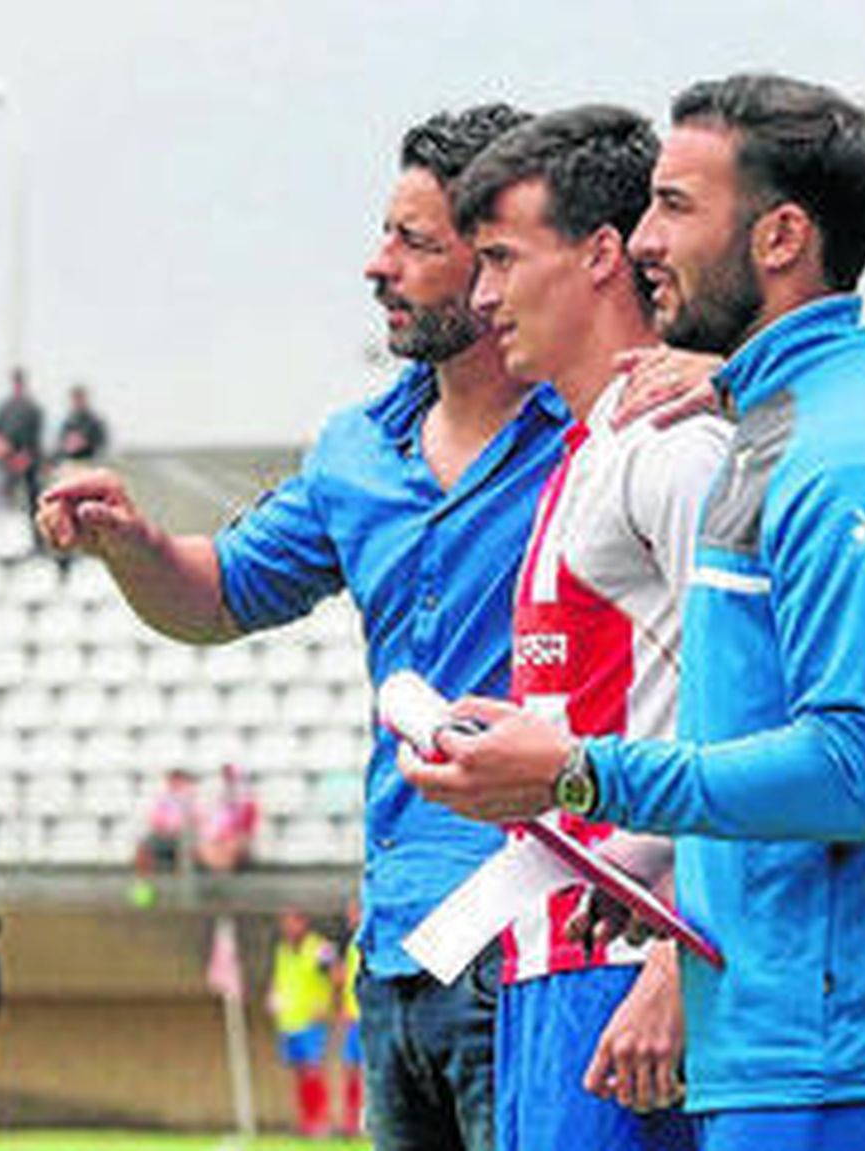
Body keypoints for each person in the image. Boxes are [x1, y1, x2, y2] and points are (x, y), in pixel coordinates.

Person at [35, 104, 713, 1151]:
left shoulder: (623, 425)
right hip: (399, 946)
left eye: (419, 243)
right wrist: (131, 542)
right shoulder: (355, 447)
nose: (376, 265)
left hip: (561, 933)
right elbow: (220, 594)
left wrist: (737, 369)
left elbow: (732, 679)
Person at [404, 73, 865, 1151]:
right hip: (778, 1048)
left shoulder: (854, 456)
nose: (637, 242)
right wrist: (666, 866)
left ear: (778, 236)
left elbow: (854, 771)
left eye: (674, 207)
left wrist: (581, 770)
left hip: (844, 1055)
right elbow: (751, 731)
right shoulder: (768, 420)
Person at [451, 105, 730, 1149]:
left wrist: (673, 958)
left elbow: (749, 706)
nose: (483, 299)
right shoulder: (583, 453)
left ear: (603, 254)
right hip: (548, 958)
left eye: (502, 260)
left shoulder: (677, 447)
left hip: (630, 966)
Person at [268, 909, 339, 1138]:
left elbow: (338, 975)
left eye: (292, 922)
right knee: (299, 1072)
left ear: (303, 923)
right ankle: (306, 1121)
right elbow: (280, 979)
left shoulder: (320, 948)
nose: (288, 928)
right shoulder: (283, 950)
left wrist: (329, 1005)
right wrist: (273, 995)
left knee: (313, 1070)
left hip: (311, 1020)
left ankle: (321, 1121)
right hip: (289, 1020)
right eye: (285, 923)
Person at [0, 366, 45, 515]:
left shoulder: (33, 408)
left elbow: (35, 436)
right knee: (2, 498)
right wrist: (2, 450)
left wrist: (24, 457)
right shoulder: (4, 407)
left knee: (34, 498)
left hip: (28, 460)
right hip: (7, 460)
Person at [335, 897, 365, 1137]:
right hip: (352, 1017)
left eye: (354, 912)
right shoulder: (351, 944)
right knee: (350, 1069)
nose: (350, 918)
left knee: (367, 1072)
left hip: (368, 1019)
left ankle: (366, 1120)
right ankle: (351, 1119)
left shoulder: (369, 940)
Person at [194, 762, 257, 873]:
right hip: (215, 838)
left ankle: (225, 875)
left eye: (233, 778)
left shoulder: (247, 804)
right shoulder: (214, 802)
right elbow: (206, 825)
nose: (229, 783)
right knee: (206, 847)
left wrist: (232, 836)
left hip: (234, 839)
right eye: (227, 777)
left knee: (230, 846)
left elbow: (246, 830)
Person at [54, 383, 109, 466]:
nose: (77, 402)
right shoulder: (68, 423)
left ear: (85, 399)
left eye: (80, 398)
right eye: (75, 399)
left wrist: (85, 443)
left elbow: (102, 445)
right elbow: (61, 445)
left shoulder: (94, 422)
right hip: (70, 464)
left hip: (89, 463)